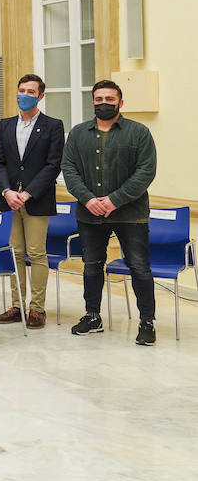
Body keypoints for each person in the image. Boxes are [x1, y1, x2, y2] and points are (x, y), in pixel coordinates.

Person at [62, 80, 159, 345]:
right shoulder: (78, 133)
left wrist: (114, 200)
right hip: (89, 213)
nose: (104, 103)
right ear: (92, 101)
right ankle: (92, 316)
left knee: (139, 267)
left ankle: (147, 321)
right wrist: (88, 199)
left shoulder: (139, 133)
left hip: (131, 214)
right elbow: (69, 169)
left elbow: (145, 172)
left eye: (110, 99)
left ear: (120, 102)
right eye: (99, 99)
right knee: (92, 266)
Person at [0, 73, 65, 330]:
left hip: (37, 199)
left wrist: (28, 192)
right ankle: (17, 305)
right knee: (15, 253)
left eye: (31, 92)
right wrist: (7, 191)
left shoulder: (53, 125)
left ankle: (37, 308)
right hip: (10, 199)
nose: (25, 95)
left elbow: (54, 164)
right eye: (22, 90)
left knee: (36, 252)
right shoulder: (5, 124)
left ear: (40, 96)